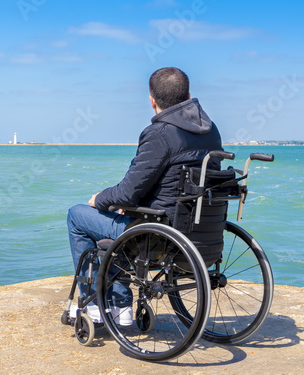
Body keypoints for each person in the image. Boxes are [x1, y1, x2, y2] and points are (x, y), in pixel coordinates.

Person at [67, 67, 223, 324]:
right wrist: (128, 205)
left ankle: (98, 304)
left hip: (158, 233)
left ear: (152, 100)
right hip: (199, 231)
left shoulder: (160, 133)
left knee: (78, 215)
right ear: (188, 96)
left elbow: (128, 191)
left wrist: (100, 199)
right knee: (118, 215)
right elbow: (168, 184)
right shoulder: (211, 130)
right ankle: (120, 304)